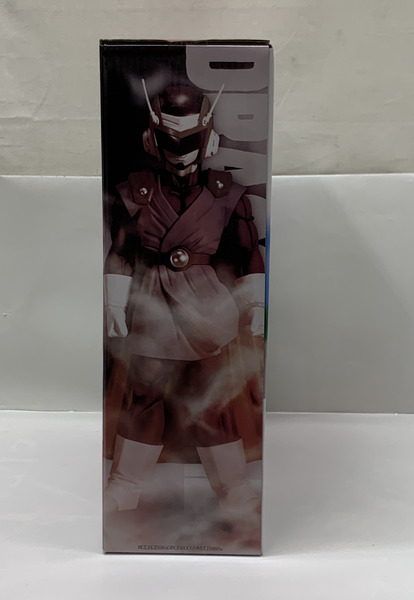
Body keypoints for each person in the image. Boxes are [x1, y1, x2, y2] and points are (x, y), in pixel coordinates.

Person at [103, 82, 265, 518]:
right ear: (152, 139)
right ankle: (125, 485)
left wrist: (255, 304)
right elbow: (120, 251)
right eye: (169, 140)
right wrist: (114, 303)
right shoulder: (134, 192)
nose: (179, 152)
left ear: (207, 138)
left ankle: (233, 489)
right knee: (145, 398)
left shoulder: (227, 194)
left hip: (208, 310)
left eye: (189, 140)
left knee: (210, 401)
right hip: (153, 306)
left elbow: (246, 252)